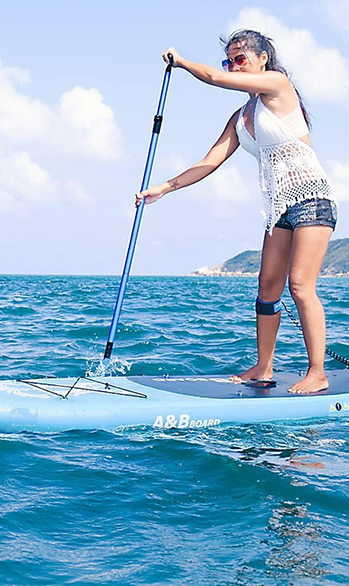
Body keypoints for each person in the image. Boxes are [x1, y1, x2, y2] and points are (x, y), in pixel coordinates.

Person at [135, 30, 338, 394]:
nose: (232, 66)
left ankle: (317, 372)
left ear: (262, 59)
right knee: (266, 289)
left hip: (312, 199)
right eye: (229, 61)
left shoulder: (277, 83)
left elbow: (213, 77)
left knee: (300, 287)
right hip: (279, 208)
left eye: (239, 59)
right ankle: (263, 367)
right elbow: (210, 161)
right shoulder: (242, 115)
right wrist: (164, 188)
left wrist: (181, 62)